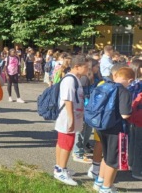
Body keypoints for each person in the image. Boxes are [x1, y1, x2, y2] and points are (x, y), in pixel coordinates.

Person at [93, 67, 134, 192]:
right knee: (114, 160)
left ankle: (100, 181)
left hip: (101, 125)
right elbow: (125, 114)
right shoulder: (124, 92)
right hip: (116, 129)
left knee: (106, 156)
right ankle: (107, 187)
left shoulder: (105, 86)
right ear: (130, 80)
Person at [53, 55, 88, 186]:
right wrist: (71, 119)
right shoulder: (69, 80)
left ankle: (60, 167)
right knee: (67, 143)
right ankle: (60, 171)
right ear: (77, 67)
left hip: (72, 116)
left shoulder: (76, 79)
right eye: (85, 67)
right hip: (67, 116)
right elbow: (68, 100)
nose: (87, 70)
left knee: (63, 142)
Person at [127, 60, 142, 180]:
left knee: (133, 141)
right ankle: (137, 170)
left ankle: (131, 164)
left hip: (132, 115)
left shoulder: (131, 83)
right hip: (138, 116)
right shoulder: (138, 84)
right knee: (139, 144)